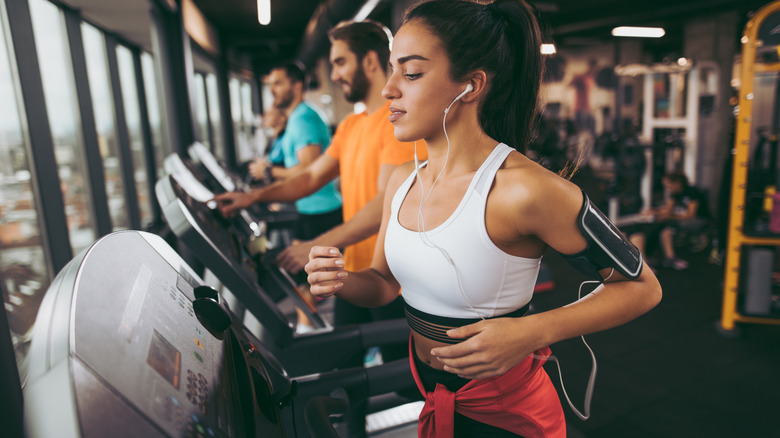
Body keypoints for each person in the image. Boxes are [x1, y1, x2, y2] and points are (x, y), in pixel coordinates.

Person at [305, 1, 662, 436]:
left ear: (471, 86)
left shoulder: (524, 190)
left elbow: (642, 288)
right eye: (392, 69)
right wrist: (342, 279)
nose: (389, 89)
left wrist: (531, 332)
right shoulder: (402, 179)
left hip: (508, 411)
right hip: (434, 396)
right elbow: (382, 284)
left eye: (412, 73)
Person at [213, 20, 424, 359]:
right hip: (355, 271)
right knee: (344, 372)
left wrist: (317, 243)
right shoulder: (352, 125)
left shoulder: (396, 122)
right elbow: (310, 177)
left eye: (340, 62)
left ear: (370, 61)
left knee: (403, 382)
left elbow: (388, 203)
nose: (335, 73)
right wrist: (251, 197)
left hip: (390, 279)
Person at [629, 172, 709, 270]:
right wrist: (653, 211)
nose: (668, 189)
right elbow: (667, 209)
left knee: (673, 222)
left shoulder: (692, 192)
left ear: (678, 183)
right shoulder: (675, 193)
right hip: (684, 218)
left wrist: (668, 216)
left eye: (669, 186)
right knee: (662, 224)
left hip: (699, 220)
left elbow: (690, 215)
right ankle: (668, 257)